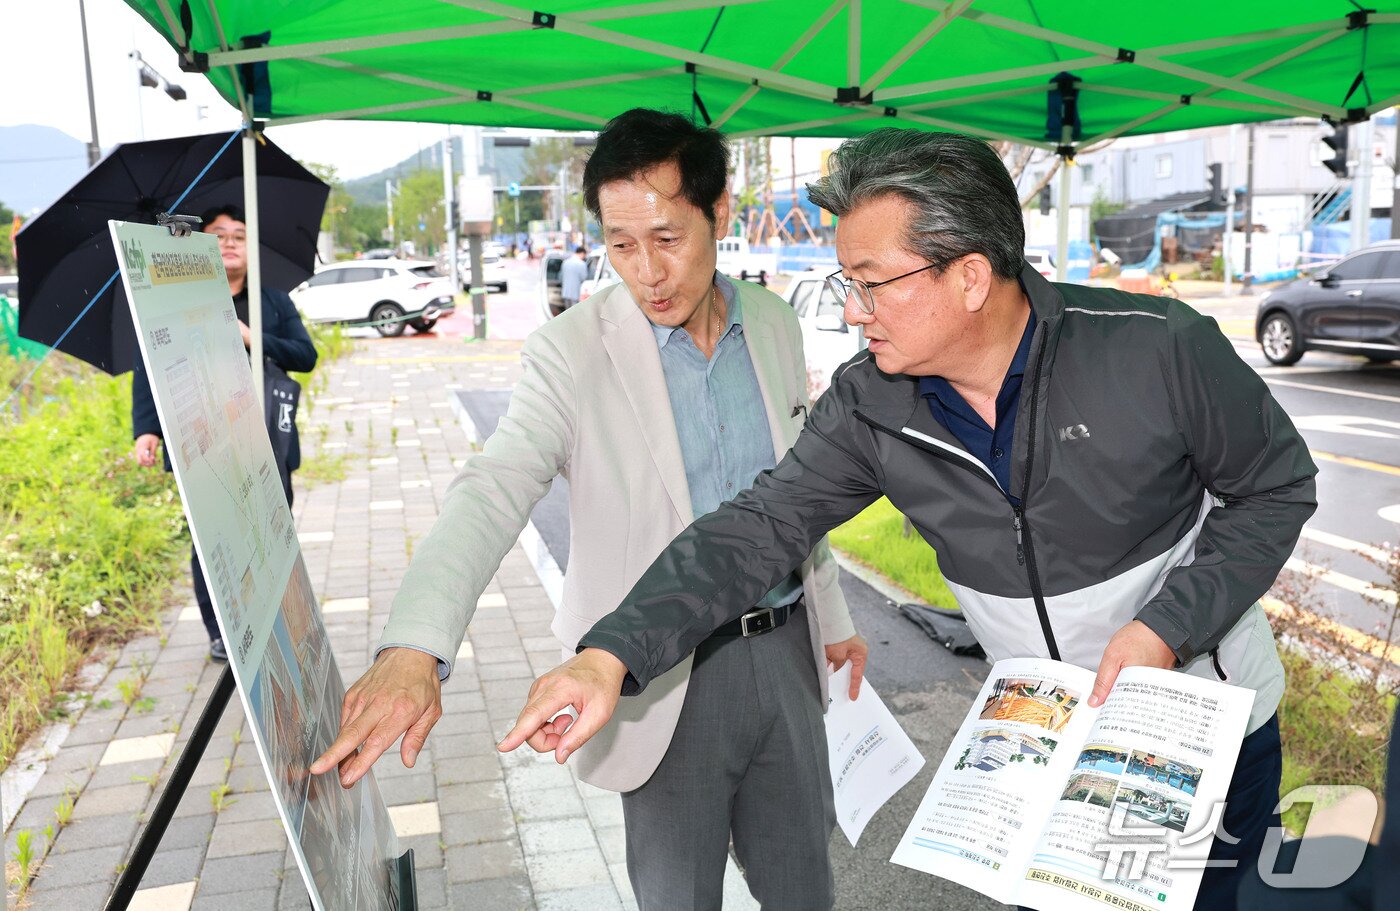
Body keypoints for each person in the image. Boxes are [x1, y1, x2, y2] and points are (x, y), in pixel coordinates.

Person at [501, 128, 1319, 911]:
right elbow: (758, 526)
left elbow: (1276, 487)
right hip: (1048, 745)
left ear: (968, 277)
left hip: (1205, 737)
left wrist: (1165, 627)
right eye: (845, 284)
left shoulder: (1157, 349)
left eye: (870, 281)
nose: (855, 312)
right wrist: (612, 652)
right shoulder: (874, 402)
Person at [310, 108, 865, 911]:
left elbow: (798, 489)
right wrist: (415, 645)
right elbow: (492, 488)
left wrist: (836, 614)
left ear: (719, 214)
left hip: (783, 652)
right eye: (621, 244)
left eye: (668, 238)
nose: (647, 272)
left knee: (804, 887)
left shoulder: (774, 325)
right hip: (655, 674)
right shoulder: (571, 350)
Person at [131, 204, 317, 661]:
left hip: (264, 442)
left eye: (239, 235)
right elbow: (150, 368)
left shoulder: (271, 301)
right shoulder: (174, 301)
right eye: (218, 235)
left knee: (273, 530)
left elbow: (305, 355)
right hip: (203, 443)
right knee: (212, 539)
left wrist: (251, 336)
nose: (230, 243)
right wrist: (146, 430)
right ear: (198, 245)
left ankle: (276, 614)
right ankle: (221, 630)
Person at [560, 244, 589, 310]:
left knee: (567, 313)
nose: (584, 257)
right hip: (576, 293)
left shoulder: (565, 262)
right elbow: (584, 278)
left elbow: (561, 277)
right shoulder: (582, 264)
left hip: (565, 293)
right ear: (582, 253)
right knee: (575, 314)